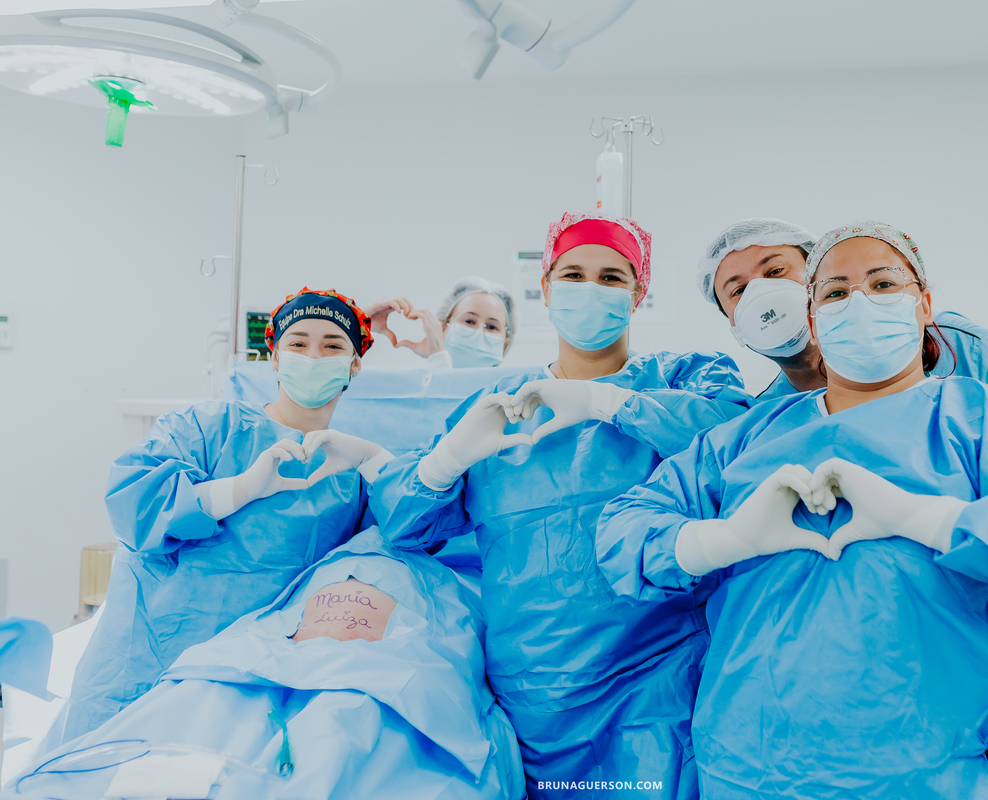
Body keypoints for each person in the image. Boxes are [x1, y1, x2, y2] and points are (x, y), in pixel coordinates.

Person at [597, 221, 988, 799]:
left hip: (934, 763)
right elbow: (627, 529)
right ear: (813, 317)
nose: (858, 304)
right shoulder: (750, 433)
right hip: (753, 765)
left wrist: (927, 519)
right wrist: (724, 540)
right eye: (835, 293)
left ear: (924, 304)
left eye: (883, 285)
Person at [307, 212, 753, 798]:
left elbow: (738, 444)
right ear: (545, 288)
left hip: (658, 679)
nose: (590, 288)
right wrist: (447, 459)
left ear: (638, 292)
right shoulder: (498, 408)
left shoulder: (682, 379)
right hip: (534, 690)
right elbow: (408, 526)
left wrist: (607, 402)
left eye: (612, 278)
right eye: (573, 274)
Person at [59, 288, 392, 743]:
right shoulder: (207, 428)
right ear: (274, 358)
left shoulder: (349, 471)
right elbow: (134, 507)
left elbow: (412, 540)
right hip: (145, 666)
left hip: (254, 681)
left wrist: (376, 459)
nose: (313, 357)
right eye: (298, 343)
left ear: (354, 365)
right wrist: (238, 490)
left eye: (332, 346)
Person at [10, 529, 525, 800]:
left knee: (350, 718)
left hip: (396, 650)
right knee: (207, 697)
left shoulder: (466, 563)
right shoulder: (350, 534)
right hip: (271, 640)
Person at [365, 277, 516, 369]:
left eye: (492, 327)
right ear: (443, 328)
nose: (479, 333)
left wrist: (439, 360)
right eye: (469, 321)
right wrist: (360, 319)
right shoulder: (415, 388)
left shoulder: (514, 399)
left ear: (505, 342)